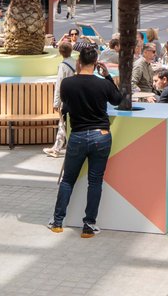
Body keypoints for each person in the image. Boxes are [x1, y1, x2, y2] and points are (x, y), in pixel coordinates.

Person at [48, 44, 121, 237]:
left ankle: (57, 222)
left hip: (78, 135)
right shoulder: (103, 84)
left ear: (79, 62)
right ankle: (89, 225)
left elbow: (67, 104)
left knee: (68, 180)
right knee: (95, 182)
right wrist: (107, 76)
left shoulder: (68, 84)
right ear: (97, 64)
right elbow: (117, 100)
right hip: (101, 135)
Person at [44, 42, 77, 158]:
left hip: (66, 99)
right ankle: (56, 148)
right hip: (76, 98)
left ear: (60, 52)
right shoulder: (75, 62)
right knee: (64, 124)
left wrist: (56, 102)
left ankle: (58, 149)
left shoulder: (63, 66)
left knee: (63, 123)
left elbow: (59, 85)